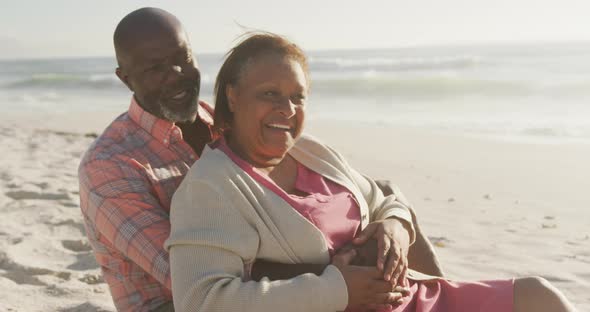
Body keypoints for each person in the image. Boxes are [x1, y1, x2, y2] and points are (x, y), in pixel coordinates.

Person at [165, 33, 578, 312]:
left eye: (297, 97)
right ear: (233, 97)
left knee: (541, 297)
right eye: (270, 95)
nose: (287, 110)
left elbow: (383, 200)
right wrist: (337, 290)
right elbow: (201, 300)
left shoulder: (311, 152)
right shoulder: (212, 186)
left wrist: (397, 226)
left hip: (417, 297)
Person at [78, 7, 442, 312]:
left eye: (182, 59)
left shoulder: (224, 122)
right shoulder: (109, 166)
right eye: (155, 68)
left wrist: (389, 225)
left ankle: (448, 294)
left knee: (385, 206)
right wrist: (336, 270)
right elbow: (188, 274)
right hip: (179, 304)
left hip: (283, 277)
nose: (176, 77)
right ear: (125, 78)